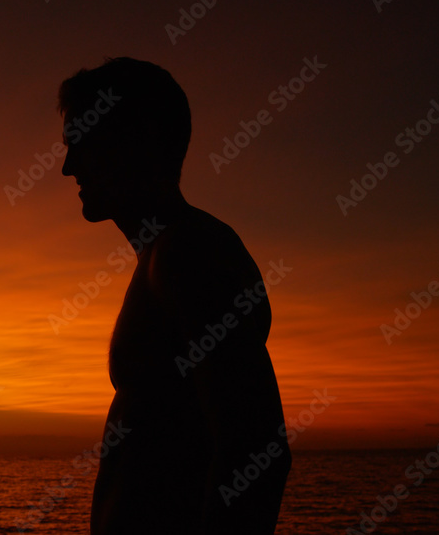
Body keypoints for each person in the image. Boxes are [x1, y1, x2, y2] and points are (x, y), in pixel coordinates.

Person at [58, 58, 290, 534]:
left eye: (82, 143)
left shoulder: (189, 252)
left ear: (135, 140)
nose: (67, 167)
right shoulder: (163, 257)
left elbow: (256, 447)